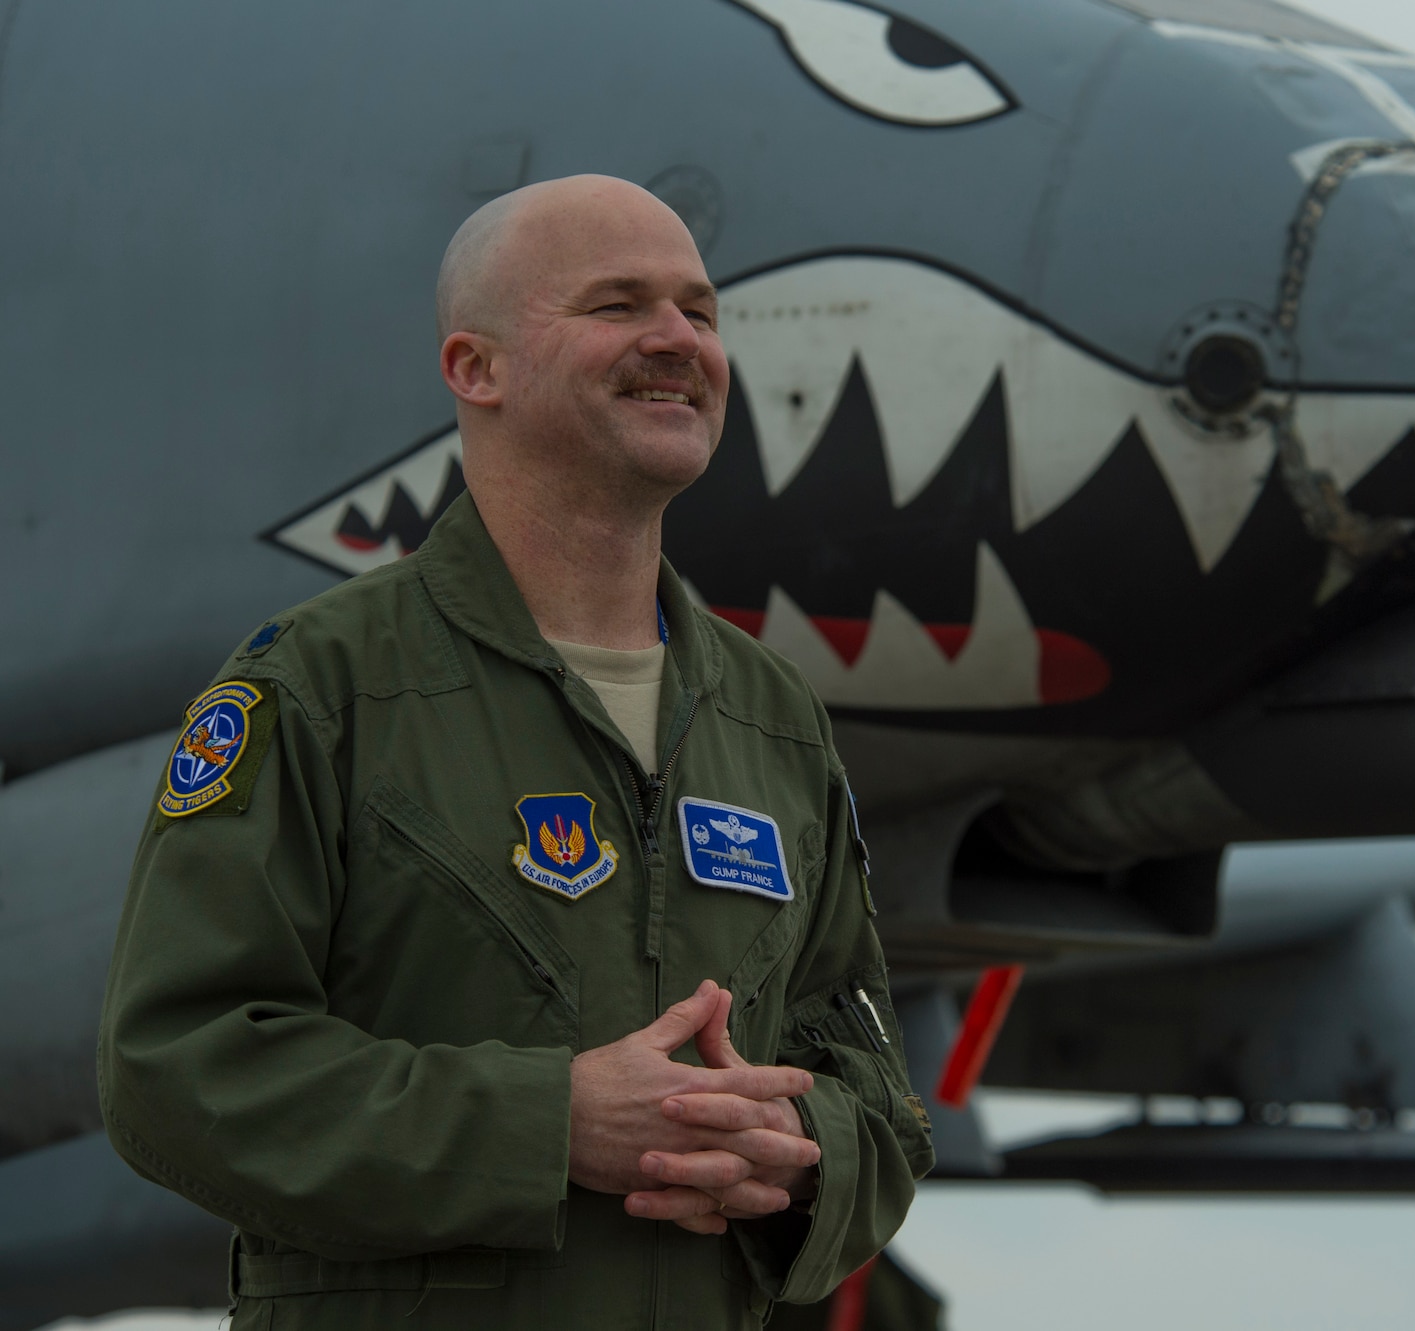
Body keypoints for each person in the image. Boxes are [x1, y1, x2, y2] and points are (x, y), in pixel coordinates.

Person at [99, 175, 934, 1330]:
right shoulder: (319, 686)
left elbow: (877, 1089)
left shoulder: (772, 719)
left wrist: (796, 1150)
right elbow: (175, 1068)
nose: (675, 341)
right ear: (473, 368)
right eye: (615, 306)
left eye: (699, 311)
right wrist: (550, 1122)